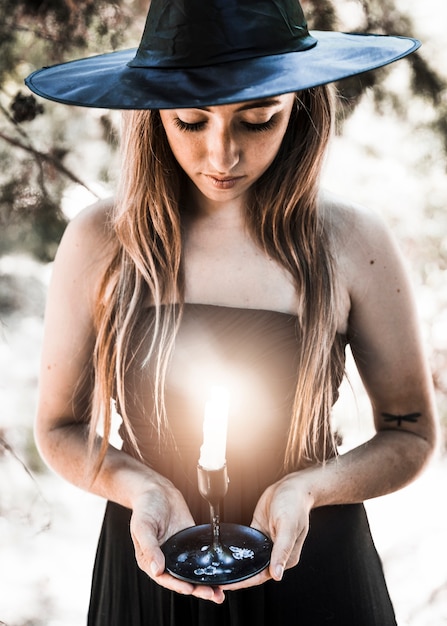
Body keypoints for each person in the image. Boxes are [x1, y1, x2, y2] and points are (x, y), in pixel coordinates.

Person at [27, 1, 438, 624]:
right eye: (192, 121)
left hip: (315, 571)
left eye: (257, 121)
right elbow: (58, 428)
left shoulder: (352, 242)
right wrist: (140, 489)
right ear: (154, 113)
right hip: (150, 567)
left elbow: (410, 431)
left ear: (296, 108)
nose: (222, 158)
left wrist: (311, 488)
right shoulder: (101, 242)